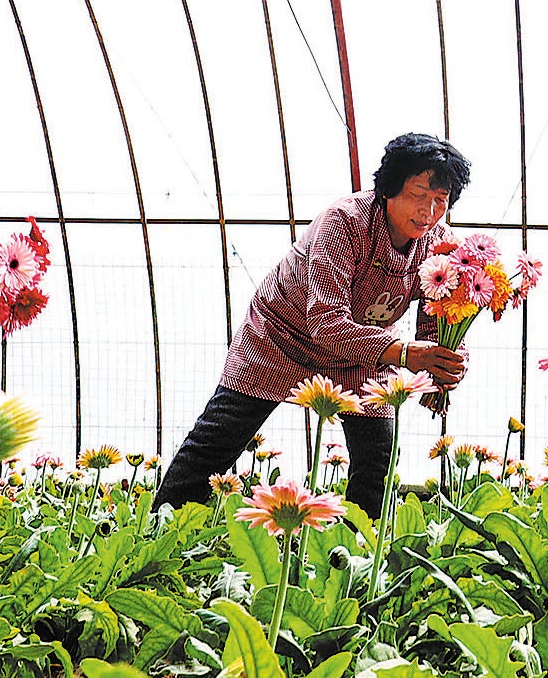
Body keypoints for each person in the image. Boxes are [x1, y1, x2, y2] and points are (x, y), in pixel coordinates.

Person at [154, 132, 471, 516]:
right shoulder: (344, 223)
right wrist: (405, 353)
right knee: (218, 439)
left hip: (362, 353)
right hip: (280, 339)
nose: (429, 211)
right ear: (389, 189)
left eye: (441, 200)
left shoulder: (441, 246)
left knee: (378, 460)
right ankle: (161, 532)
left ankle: (355, 558)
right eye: (419, 194)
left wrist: (444, 364)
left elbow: (439, 319)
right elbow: (325, 322)